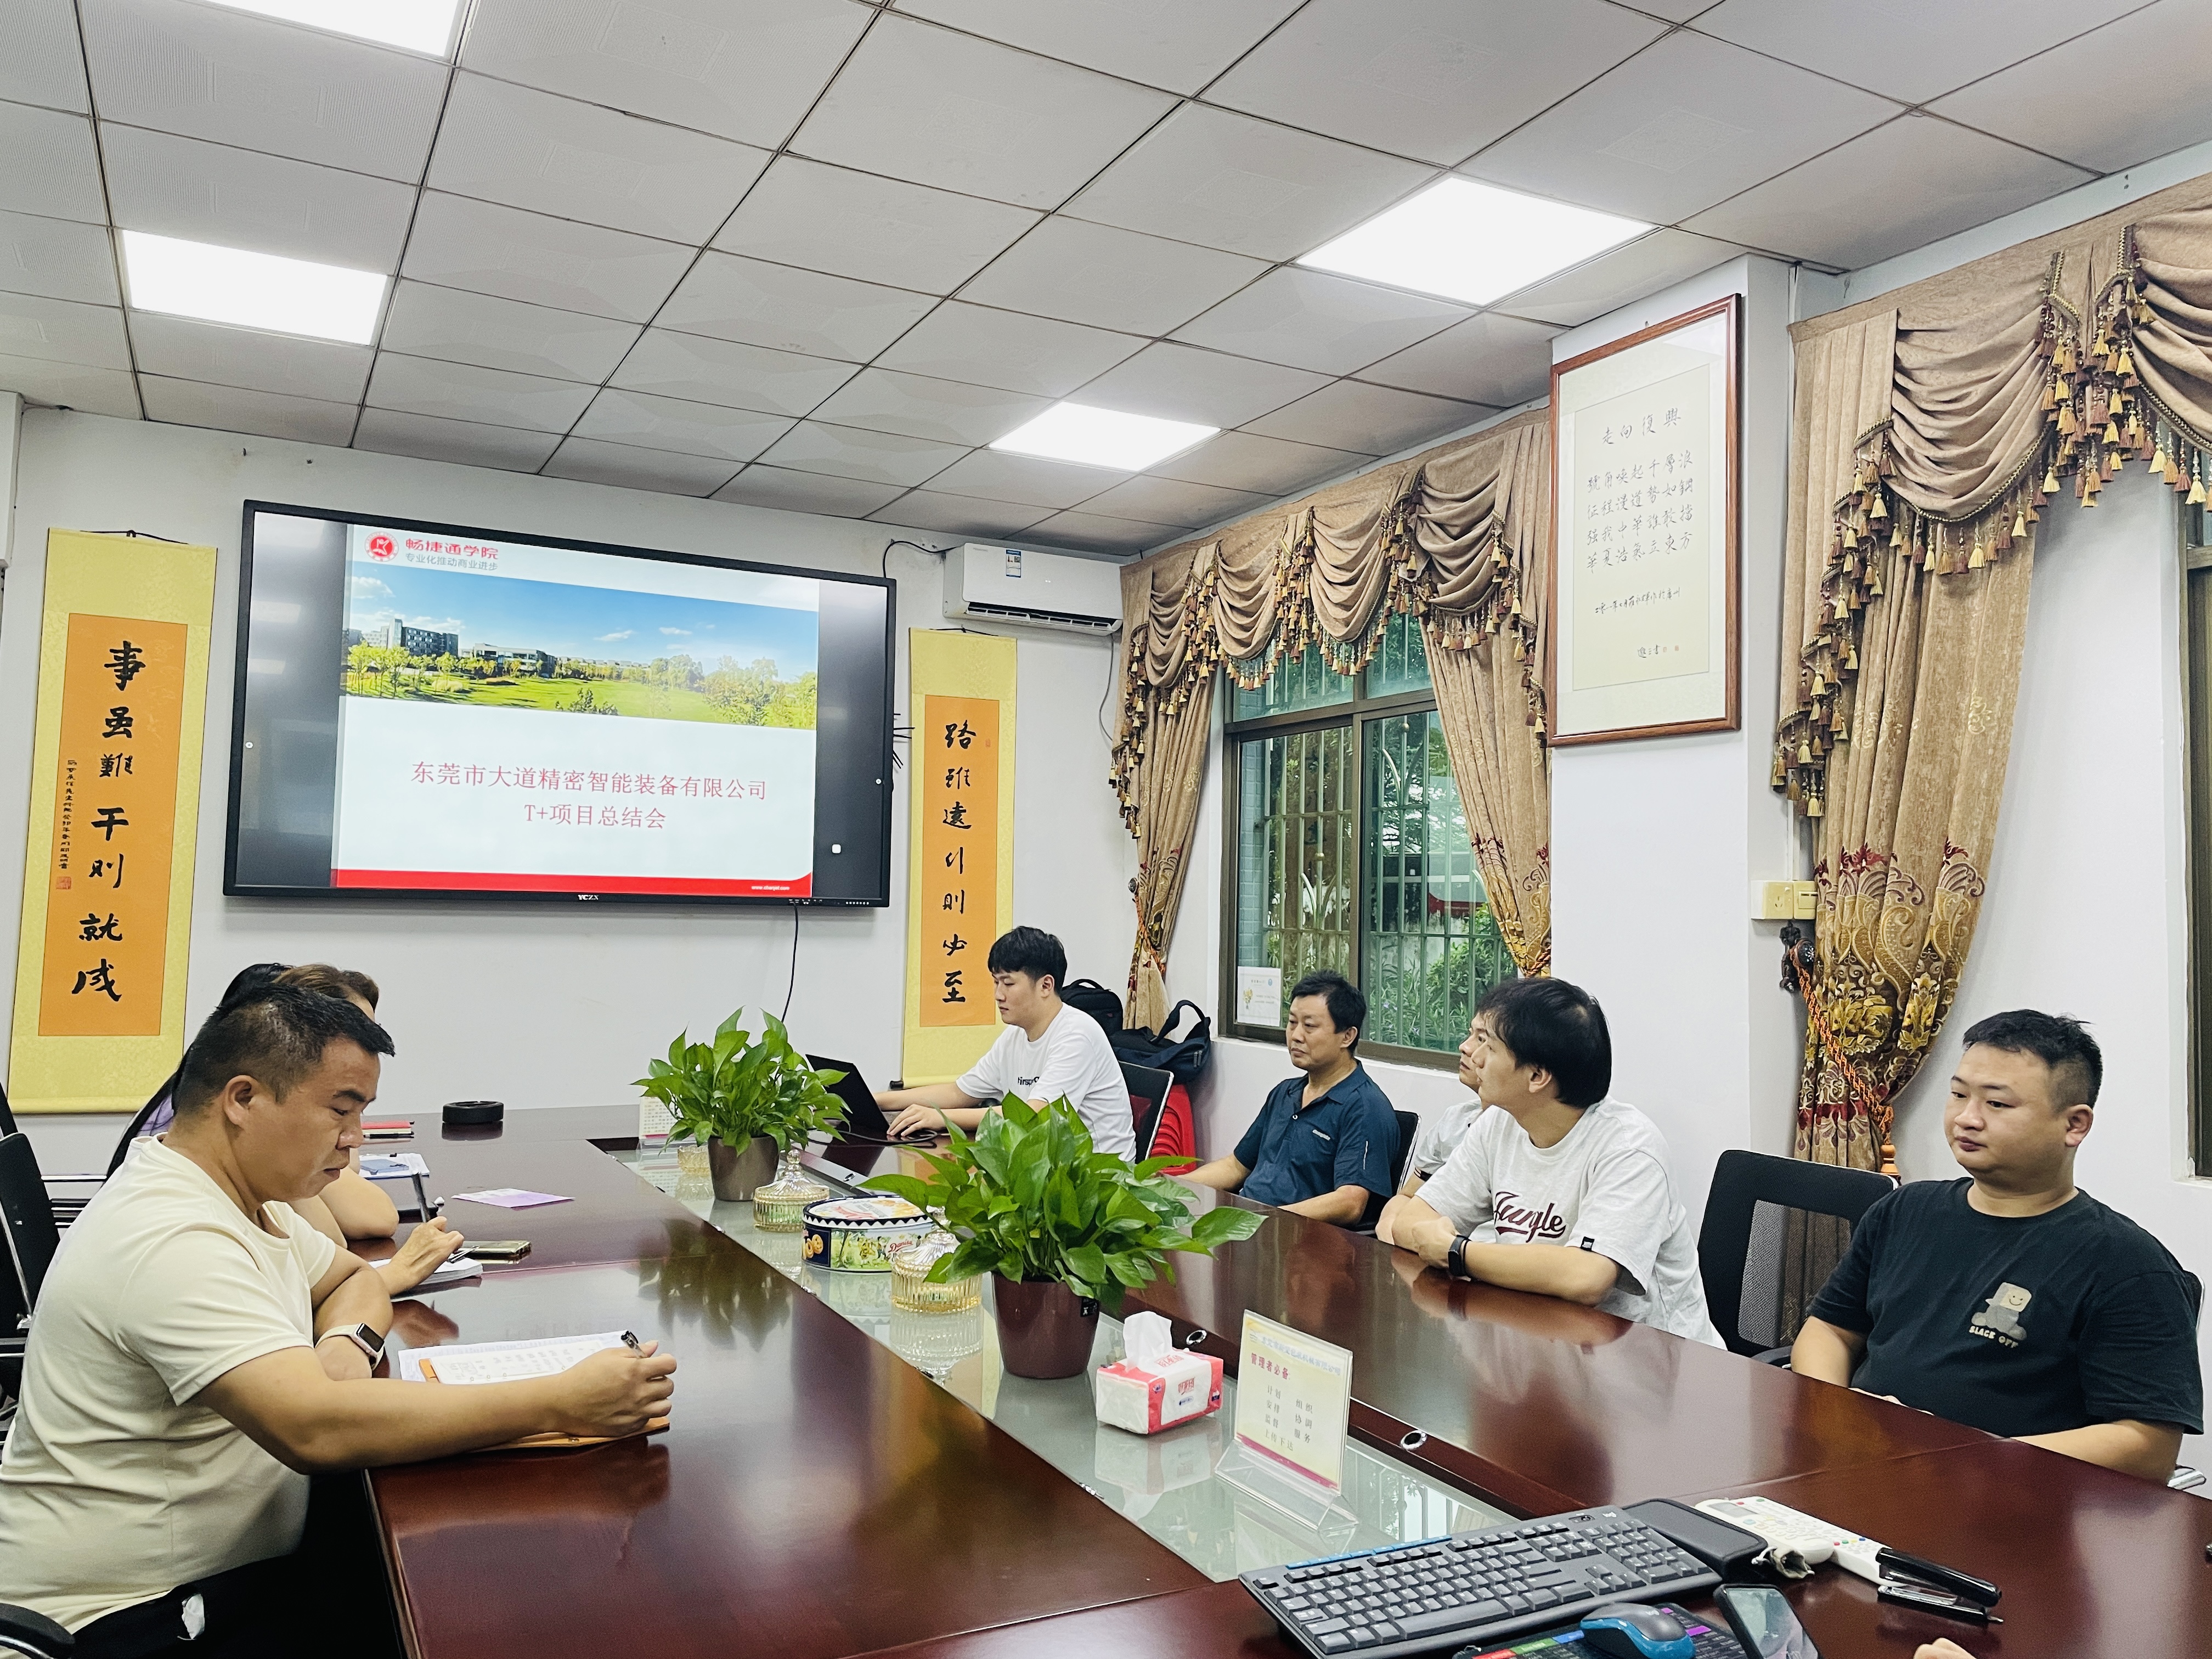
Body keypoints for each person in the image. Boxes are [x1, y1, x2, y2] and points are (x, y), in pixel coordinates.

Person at [0, 985, 676, 1652]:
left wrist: (345, 1348)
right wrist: (561, 1401)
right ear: (243, 1099)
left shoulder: (246, 1199)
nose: (356, 1140)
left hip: (231, 1571)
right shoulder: (172, 1235)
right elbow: (315, 1431)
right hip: (129, 1617)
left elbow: (354, 1280)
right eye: (341, 1111)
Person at [1791, 1010, 2201, 1483]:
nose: (1967, 1118)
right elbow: (1830, 1330)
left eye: (1998, 1104)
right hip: (1866, 1471)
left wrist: (1960, 1455)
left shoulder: (2126, 1265)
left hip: (2012, 1499)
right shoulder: (1902, 1211)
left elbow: (2148, 1448)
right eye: (1958, 1095)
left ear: (2074, 1125)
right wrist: (1840, 1413)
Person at [1377, 978, 1722, 1346]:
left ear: (1537, 1076)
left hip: (1652, 1363)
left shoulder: (1629, 1147)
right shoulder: (1497, 1124)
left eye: (1488, 1046)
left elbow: (1586, 1278)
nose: (1473, 1056)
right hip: (1540, 1343)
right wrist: (1448, 1245)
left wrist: (1457, 1252)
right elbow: (1411, 1222)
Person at [114, 962, 463, 1293]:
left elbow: (337, 1278)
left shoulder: (258, 1186)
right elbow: (361, 1233)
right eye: (341, 1110)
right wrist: (390, 1280)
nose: (355, 1136)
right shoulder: (183, 1235)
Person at [879, 926, 1135, 1158]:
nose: (998, 995)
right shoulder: (1014, 1036)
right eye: (995, 982)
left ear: (1046, 985)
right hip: (1040, 1166)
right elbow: (959, 1093)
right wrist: (876, 1100)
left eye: (1008, 983)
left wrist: (940, 1118)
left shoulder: (1077, 1035)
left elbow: (1034, 1116)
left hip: (1099, 1179)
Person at [1180, 972, 1399, 1224]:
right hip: (1248, 1223)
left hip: (1297, 1234)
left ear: (1347, 1036)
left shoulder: (1365, 1107)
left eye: (1310, 1026)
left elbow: (1350, 1202)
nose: (1296, 1036)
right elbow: (1236, 1167)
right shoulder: (1285, 1093)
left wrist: (1267, 1220)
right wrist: (1168, 1187)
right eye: (1292, 1023)